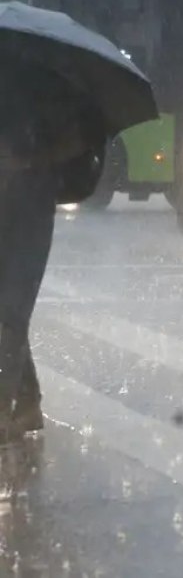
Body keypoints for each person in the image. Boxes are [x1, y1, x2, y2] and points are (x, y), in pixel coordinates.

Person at [0, 58, 90, 442]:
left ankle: (3, 411)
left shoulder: (41, 86)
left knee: (11, 311)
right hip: (18, 205)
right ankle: (28, 400)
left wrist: (25, 163)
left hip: (28, 211)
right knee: (6, 311)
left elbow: (76, 140)